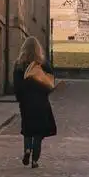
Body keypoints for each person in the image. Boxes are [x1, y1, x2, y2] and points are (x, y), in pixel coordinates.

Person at [13, 36, 57, 168]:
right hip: (41, 102)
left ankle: (27, 149)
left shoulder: (19, 64)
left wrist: (21, 99)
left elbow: (16, 86)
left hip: (26, 102)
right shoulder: (43, 64)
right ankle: (35, 161)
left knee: (27, 130)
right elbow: (50, 84)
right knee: (38, 132)